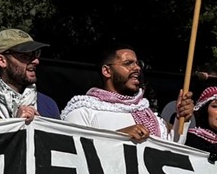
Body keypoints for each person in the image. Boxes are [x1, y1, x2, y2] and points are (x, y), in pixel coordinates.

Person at [60, 46, 192, 141]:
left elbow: (171, 152)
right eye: (128, 63)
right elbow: (74, 152)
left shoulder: (146, 113)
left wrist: (182, 118)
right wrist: (120, 138)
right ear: (107, 71)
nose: (137, 68)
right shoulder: (83, 111)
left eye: (138, 63)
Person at [0, 29, 60, 124]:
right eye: (25, 56)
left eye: (36, 54)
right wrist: (16, 125)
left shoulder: (49, 105)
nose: (36, 61)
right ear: (2, 61)